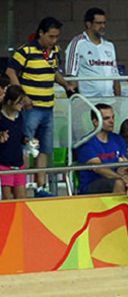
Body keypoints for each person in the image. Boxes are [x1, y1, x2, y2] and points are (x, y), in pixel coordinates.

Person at [5, 17, 77, 194]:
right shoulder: (25, 50)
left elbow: (53, 73)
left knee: (44, 148)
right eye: (51, 36)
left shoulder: (55, 51)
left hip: (48, 106)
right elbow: (10, 71)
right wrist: (22, 96)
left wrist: (65, 84)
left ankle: (40, 186)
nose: (54, 40)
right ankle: (21, 184)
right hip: (30, 107)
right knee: (27, 146)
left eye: (57, 37)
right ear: (41, 33)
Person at [64, 7, 120, 98]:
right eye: (98, 23)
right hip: (88, 102)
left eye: (104, 23)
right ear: (88, 24)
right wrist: (78, 102)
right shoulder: (77, 43)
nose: (103, 26)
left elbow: (115, 76)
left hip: (109, 101)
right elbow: (71, 76)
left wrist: (119, 100)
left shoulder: (109, 46)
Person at [75, 104, 128, 194]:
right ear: (95, 122)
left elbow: (124, 163)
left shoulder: (118, 139)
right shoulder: (86, 143)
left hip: (116, 178)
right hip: (92, 184)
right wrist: (120, 177)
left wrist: (125, 173)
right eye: (106, 118)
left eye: (113, 117)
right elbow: (99, 168)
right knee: (119, 182)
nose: (112, 121)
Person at [0, 85, 31, 200]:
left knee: (22, 198)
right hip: (4, 164)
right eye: (19, 102)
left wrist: (25, 139)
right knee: (7, 199)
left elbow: (19, 135)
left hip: (18, 162)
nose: (22, 105)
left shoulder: (20, 117)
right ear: (9, 102)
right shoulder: (1, 118)